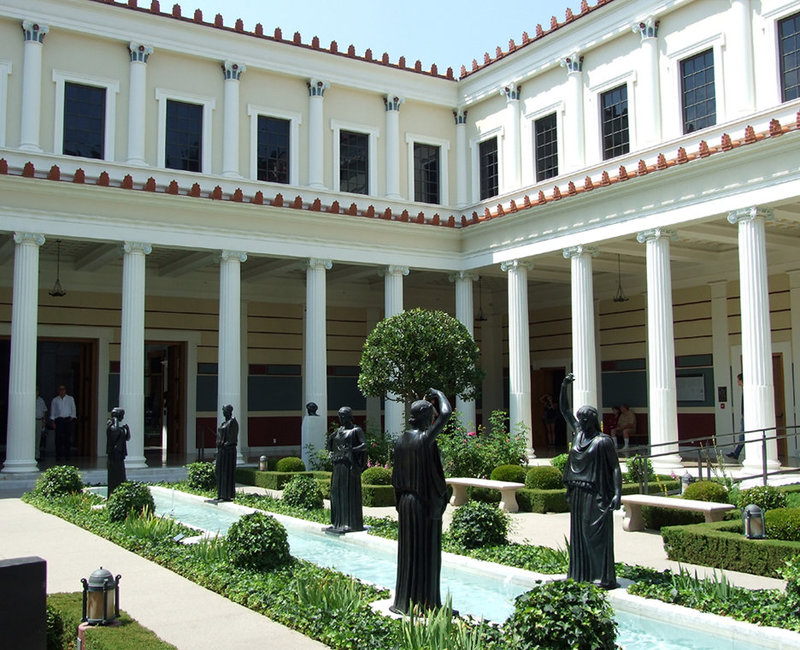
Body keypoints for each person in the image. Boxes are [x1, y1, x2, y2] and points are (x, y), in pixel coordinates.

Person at [391, 388, 452, 615]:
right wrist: (439, 393)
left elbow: (395, 478)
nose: (434, 418)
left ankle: (405, 603)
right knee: (426, 553)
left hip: (406, 503)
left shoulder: (400, 440)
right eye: (431, 415)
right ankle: (426, 604)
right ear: (426, 417)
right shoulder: (424, 439)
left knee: (409, 554)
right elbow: (446, 414)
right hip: (423, 504)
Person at [559, 373, 622, 590]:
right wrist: (563, 386)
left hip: (596, 494)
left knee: (594, 534)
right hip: (577, 492)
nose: (581, 422)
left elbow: (615, 467)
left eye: (584, 419)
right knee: (578, 535)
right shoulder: (578, 434)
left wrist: (617, 494)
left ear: (592, 420)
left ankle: (602, 577)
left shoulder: (603, 441)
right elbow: (564, 411)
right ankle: (580, 574)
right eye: (580, 419)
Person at [327, 406, 367, 533]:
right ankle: (337, 522)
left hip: (349, 467)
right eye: (340, 416)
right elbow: (330, 441)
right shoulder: (338, 431)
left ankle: (349, 523)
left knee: (347, 493)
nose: (341, 419)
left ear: (349, 416)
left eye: (343, 416)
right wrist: (330, 452)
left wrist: (351, 449)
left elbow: (364, 445)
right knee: (336, 493)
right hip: (338, 466)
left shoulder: (356, 430)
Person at [215, 404, 238, 501]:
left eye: (224, 410)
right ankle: (220, 494)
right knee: (219, 471)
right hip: (222, 451)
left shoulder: (233, 422)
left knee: (226, 472)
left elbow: (232, 439)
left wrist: (225, 444)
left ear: (228, 411)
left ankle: (226, 495)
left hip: (228, 452)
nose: (223, 412)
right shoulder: (224, 423)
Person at [106, 407, 130, 496]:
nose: (122, 418)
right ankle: (115, 494)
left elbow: (127, 438)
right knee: (116, 477)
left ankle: (119, 493)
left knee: (120, 476)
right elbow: (115, 432)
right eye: (122, 415)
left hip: (118, 457)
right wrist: (115, 420)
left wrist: (127, 430)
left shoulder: (114, 424)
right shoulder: (112, 423)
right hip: (115, 456)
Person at [50, 385, 77, 461]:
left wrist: (72, 417)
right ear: (58, 390)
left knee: (67, 438)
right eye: (60, 389)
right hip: (59, 420)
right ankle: (58, 455)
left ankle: (67, 455)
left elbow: (73, 408)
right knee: (58, 439)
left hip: (67, 420)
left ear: (65, 390)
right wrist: (53, 422)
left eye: (63, 389)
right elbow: (53, 411)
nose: (62, 391)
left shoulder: (70, 399)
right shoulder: (55, 400)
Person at [726, 373, 745, 462]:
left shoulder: (748, 390)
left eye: (738, 380)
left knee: (742, 436)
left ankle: (736, 453)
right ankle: (736, 453)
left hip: (747, 418)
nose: (737, 382)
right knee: (742, 436)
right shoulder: (744, 390)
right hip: (744, 417)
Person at [35, 388, 47, 461]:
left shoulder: (41, 400)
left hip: (39, 420)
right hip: (31, 421)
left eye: (37, 391)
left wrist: (44, 421)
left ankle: (37, 455)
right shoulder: (29, 399)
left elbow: (44, 411)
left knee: (38, 438)